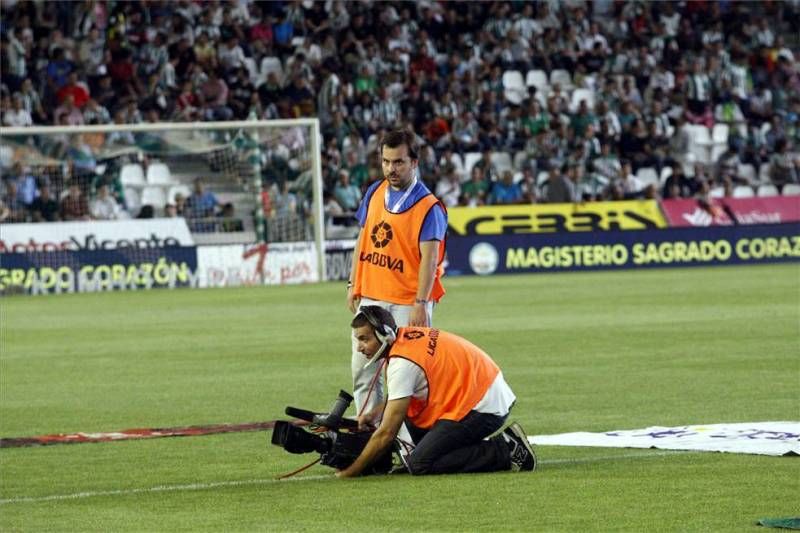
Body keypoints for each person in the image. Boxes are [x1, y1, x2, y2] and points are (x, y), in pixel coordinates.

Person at [336, 306, 536, 477]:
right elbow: (400, 396)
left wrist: (351, 472)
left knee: (420, 464)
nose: (360, 348)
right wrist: (373, 414)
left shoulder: (402, 364)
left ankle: (506, 449)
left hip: (484, 407)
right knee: (414, 437)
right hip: (481, 394)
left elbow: (386, 433)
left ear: (384, 334)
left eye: (364, 339)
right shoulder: (405, 337)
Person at [346, 128, 447, 416]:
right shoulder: (375, 192)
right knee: (363, 368)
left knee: (407, 375)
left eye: (399, 162)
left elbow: (429, 260)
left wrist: (420, 304)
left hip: (407, 302)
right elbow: (362, 239)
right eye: (386, 161)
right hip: (373, 296)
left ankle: (412, 441)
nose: (391, 168)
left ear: (414, 162)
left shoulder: (429, 207)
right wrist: (353, 282)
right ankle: (371, 435)